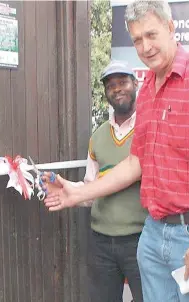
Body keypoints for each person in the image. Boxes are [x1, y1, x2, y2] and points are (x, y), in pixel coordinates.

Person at [43, 1, 189, 301]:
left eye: (151, 34)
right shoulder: (148, 89)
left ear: (171, 28)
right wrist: (78, 193)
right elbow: (135, 162)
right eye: (137, 39)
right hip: (152, 233)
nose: (145, 46)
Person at [51, 60, 145, 302]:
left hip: (141, 239)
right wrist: (69, 190)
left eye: (123, 82)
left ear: (136, 84)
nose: (117, 89)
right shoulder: (98, 137)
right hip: (102, 242)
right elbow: (91, 188)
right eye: (111, 85)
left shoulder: (148, 129)